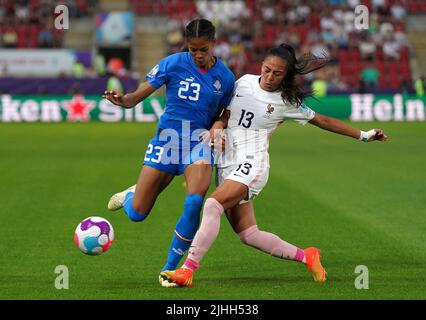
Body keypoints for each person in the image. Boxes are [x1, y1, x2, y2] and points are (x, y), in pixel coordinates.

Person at [160, 43, 388, 287]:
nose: (269, 77)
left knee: (213, 205)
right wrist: (218, 125)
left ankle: (187, 270)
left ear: (286, 76)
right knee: (249, 235)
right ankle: (307, 255)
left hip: (252, 164)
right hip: (227, 164)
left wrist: (363, 135)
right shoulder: (244, 81)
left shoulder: (286, 102)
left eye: (277, 73)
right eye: (267, 69)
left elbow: (323, 121)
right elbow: (224, 112)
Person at [103, 19, 235, 287]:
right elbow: (134, 99)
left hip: (198, 143)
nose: (198, 54)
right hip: (167, 142)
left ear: (213, 43)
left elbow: (224, 113)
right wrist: (122, 100)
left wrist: (219, 123)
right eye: (193, 49)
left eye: (203, 49)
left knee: (195, 202)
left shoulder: (226, 78)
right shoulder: (172, 63)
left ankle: (170, 270)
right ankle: (130, 195)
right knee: (138, 213)